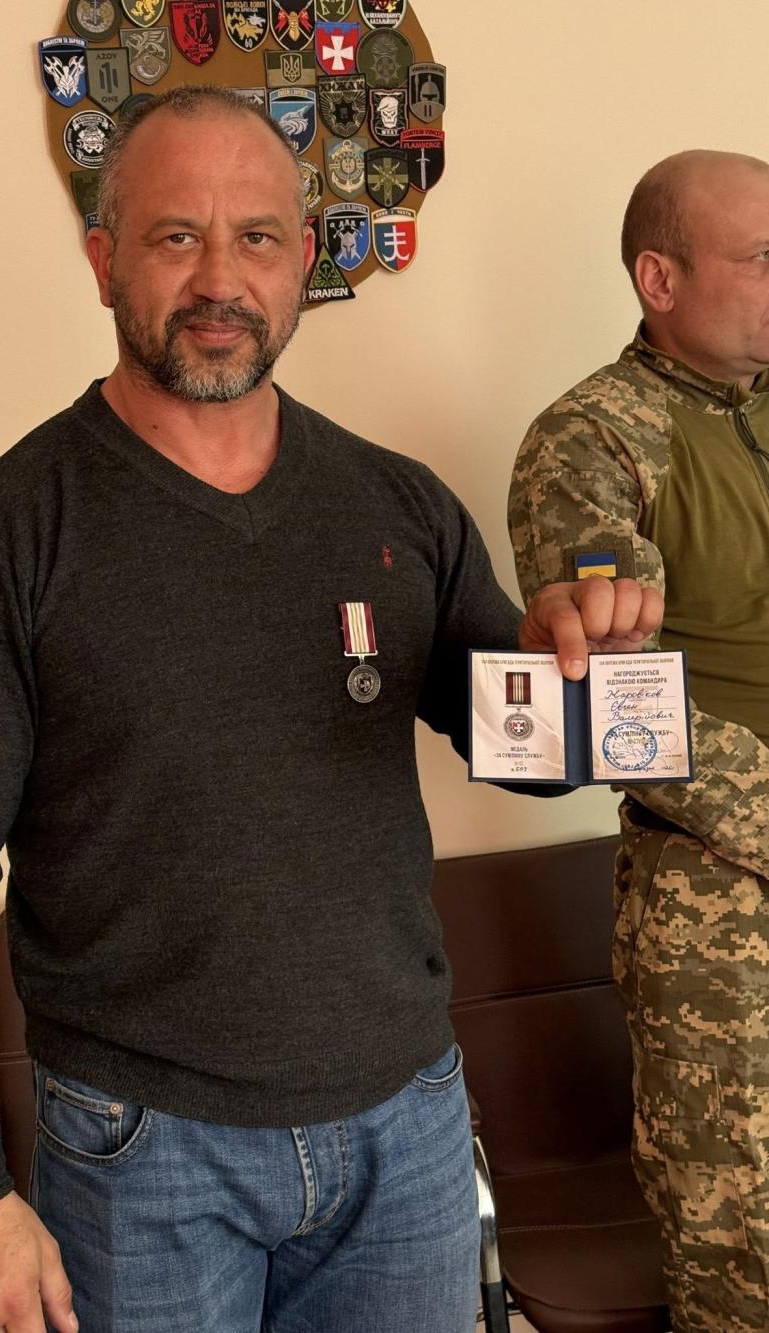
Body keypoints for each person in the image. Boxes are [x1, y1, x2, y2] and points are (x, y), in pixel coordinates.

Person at [0, 86, 661, 1333]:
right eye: (176, 236)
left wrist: (581, 669)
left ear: (302, 265)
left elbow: (536, 756)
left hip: (406, 1129)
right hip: (140, 1152)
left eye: (258, 238)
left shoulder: (397, 507)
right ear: (102, 260)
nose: (220, 279)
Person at [509, 149, 769, 1333]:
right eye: (761, 258)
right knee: (745, 1256)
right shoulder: (592, 440)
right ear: (659, 279)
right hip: (724, 910)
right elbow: (618, 705)